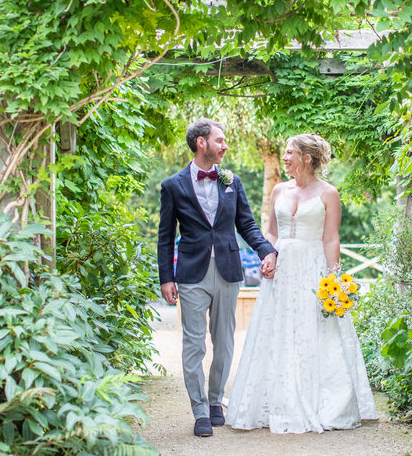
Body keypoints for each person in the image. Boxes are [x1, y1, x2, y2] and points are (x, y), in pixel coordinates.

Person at [226, 133, 378, 433]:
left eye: (289, 152)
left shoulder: (328, 193)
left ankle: (325, 403)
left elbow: (331, 237)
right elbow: (270, 232)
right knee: (277, 330)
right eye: (284, 152)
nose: (284, 157)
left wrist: (334, 279)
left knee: (316, 331)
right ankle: (274, 401)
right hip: (281, 272)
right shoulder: (279, 190)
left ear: (306, 158)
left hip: (313, 270)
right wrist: (267, 255)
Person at [157, 118, 277, 438]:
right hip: (191, 274)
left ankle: (215, 401)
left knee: (224, 341)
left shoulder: (231, 181)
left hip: (227, 270)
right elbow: (165, 237)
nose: (225, 146)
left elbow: (247, 225)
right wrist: (165, 278)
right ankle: (199, 411)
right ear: (201, 143)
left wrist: (267, 250)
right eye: (220, 140)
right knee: (193, 344)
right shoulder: (173, 185)